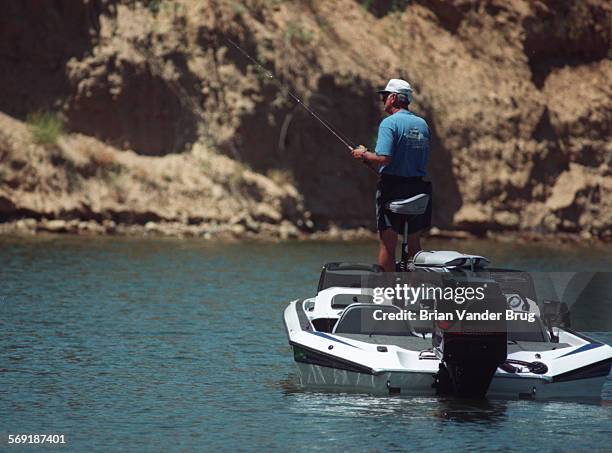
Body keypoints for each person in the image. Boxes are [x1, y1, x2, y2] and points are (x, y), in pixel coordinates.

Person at [351, 78, 431, 272]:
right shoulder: (422, 125)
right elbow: (404, 162)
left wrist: (363, 154)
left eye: (385, 96)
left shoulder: (389, 124)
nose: (383, 100)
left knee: (388, 243)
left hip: (392, 190)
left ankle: (386, 291)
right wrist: (372, 159)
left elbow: (384, 158)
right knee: (414, 245)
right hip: (418, 188)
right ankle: (415, 291)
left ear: (394, 98)